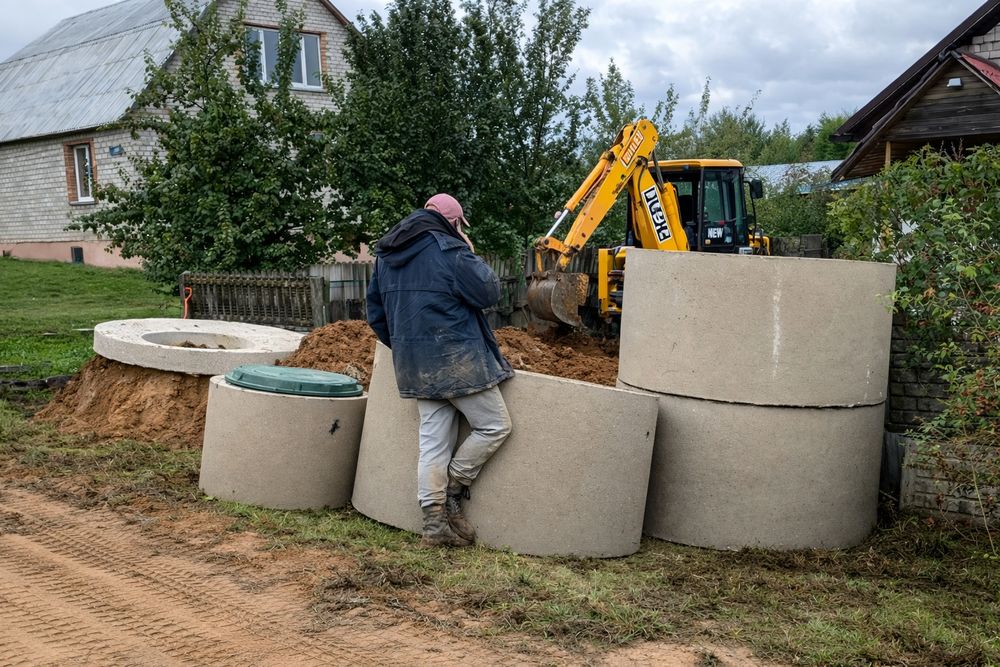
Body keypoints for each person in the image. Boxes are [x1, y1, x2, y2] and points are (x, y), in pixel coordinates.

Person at [366, 193, 514, 548]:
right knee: (495, 426)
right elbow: (489, 292)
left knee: (433, 444)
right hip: (457, 361)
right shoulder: (450, 250)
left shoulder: (386, 256)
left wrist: (407, 347)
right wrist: (468, 250)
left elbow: (376, 314)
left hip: (415, 366)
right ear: (454, 222)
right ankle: (453, 488)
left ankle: (434, 526)